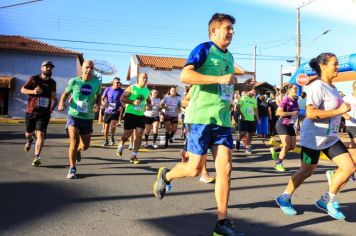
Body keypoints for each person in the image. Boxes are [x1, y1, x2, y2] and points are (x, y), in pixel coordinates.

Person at [153, 13, 254, 235]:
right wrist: (219, 79)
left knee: (225, 169)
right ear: (214, 31)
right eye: (227, 28)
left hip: (223, 120)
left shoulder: (229, 57)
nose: (232, 32)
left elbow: (225, 86)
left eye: (233, 29)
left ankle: (222, 222)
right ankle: (166, 176)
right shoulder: (204, 49)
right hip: (200, 118)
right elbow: (185, 75)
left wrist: (241, 87)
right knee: (194, 168)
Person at [276, 53, 355, 220]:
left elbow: (338, 112)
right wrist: (339, 111)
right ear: (323, 66)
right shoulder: (316, 86)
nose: (338, 67)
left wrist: (345, 115)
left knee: (349, 167)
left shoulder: (332, 88)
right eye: (335, 64)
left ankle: (327, 199)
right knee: (306, 171)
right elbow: (311, 113)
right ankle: (284, 198)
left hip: (331, 137)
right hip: (314, 137)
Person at [58, 60, 101, 179]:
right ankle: (72, 168)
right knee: (74, 141)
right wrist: (61, 103)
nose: (89, 69)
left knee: (85, 146)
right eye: (87, 67)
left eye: (92, 67)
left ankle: (78, 151)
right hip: (74, 115)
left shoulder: (96, 83)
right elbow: (65, 94)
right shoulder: (74, 81)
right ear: (82, 69)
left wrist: (98, 104)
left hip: (87, 118)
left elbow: (99, 95)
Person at [21, 60, 58, 166]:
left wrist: (53, 106)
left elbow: (53, 96)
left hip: (44, 113)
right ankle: (29, 140)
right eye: (47, 67)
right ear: (41, 68)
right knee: (29, 133)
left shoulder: (52, 83)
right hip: (31, 111)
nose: (49, 69)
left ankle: (36, 156)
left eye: (51, 67)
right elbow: (22, 90)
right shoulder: (34, 79)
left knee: (41, 134)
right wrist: (33, 92)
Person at [116, 72, 150, 164]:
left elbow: (148, 101)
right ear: (138, 79)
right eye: (143, 78)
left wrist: (149, 105)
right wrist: (132, 102)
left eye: (146, 78)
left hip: (140, 115)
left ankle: (133, 155)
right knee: (127, 135)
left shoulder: (147, 91)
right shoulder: (132, 87)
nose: (145, 79)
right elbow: (122, 98)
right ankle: (121, 144)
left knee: (139, 134)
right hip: (130, 114)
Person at [270, 84, 299, 172]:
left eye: (296, 88)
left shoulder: (295, 100)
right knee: (286, 145)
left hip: (290, 124)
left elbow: (296, 113)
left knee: (292, 146)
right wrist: (291, 113)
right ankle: (278, 163)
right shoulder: (286, 99)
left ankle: (275, 149)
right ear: (289, 90)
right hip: (282, 124)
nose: (296, 90)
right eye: (294, 89)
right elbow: (278, 113)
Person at [101, 77, 124, 146]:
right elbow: (102, 98)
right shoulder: (108, 89)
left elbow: (124, 100)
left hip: (116, 110)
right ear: (113, 82)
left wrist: (121, 106)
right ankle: (106, 140)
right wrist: (103, 103)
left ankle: (112, 136)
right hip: (107, 110)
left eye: (119, 82)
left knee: (113, 125)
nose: (118, 84)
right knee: (106, 127)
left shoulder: (121, 91)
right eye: (117, 82)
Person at [236, 90, 259, 154]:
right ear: (248, 91)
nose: (255, 92)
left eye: (255, 91)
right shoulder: (243, 97)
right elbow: (237, 107)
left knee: (251, 134)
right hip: (243, 118)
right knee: (243, 133)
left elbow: (255, 109)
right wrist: (242, 114)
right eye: (253, 91)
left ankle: (247, 147)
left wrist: (257, 118)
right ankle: (238, 139)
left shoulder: (254, 99)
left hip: (251, 119)